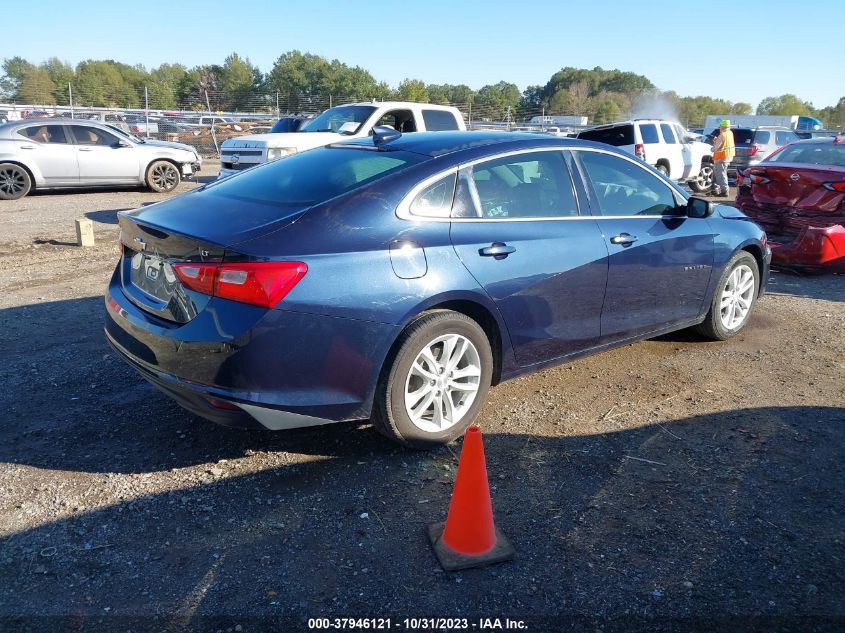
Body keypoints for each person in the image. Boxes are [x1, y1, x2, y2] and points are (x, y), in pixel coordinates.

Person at [711, 119, 735, 197]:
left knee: (721, 175)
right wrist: (716, 140)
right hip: (727, 157)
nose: (719, 128)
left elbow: (715, 148)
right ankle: (714, 189)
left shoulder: (722, 135)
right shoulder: (730, 133)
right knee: (718, 174)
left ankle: (724, 191)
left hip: (721, 158)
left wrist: (712, 148)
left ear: (722, 126)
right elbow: (724, 144)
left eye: (720, 126)